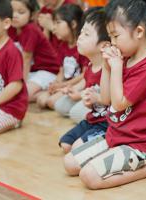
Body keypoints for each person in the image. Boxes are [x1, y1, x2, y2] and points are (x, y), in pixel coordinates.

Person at [63, 0, 146, 189]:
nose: (112, 42)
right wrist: (106, 66)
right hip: (114, 136)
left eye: (116, 36)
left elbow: (119, 104)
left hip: (137, 145)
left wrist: (117, 67)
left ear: (138, 32)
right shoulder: (125, 58)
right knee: (70, 164)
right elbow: (106, 100)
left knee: (89, 177)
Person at [59, 7, 110, 153]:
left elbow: (115, 101)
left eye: (86, 34)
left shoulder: (110, 69)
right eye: (81, 32)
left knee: (76, 149)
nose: (80, 37)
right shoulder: (89, 67)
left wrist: (97, 98)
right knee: (65, 144)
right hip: (93, 119)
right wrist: (86, 98)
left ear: (104, 45)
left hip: (107, 124)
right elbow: (91, 105)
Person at [0, 0, 28, 136]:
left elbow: (16, 85)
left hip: (10, 109)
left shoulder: (11, 51)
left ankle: (13, 121)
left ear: (6, 24)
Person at [36, 4, 86, 109]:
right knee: (41, 100)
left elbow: (84, 75)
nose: (54, 28)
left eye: (58, 23)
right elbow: (61, 71)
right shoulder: (62, 45)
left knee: (51, 102)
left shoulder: (82, 46)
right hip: (66, 85)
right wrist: (56, 83)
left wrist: (64, 85)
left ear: (73, 24)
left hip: (77, 86)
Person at [9, 0, 61, 102]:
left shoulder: (30, 29)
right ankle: (41, 94)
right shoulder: (11, 27)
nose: (14, 15)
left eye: (21, 12)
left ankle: (50, 93)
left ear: (32, 15)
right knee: (10, 92)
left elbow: (26, 59)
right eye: (12, 11)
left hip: (47, 71)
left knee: (20, 95)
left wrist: (20, 85)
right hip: (32, 71)